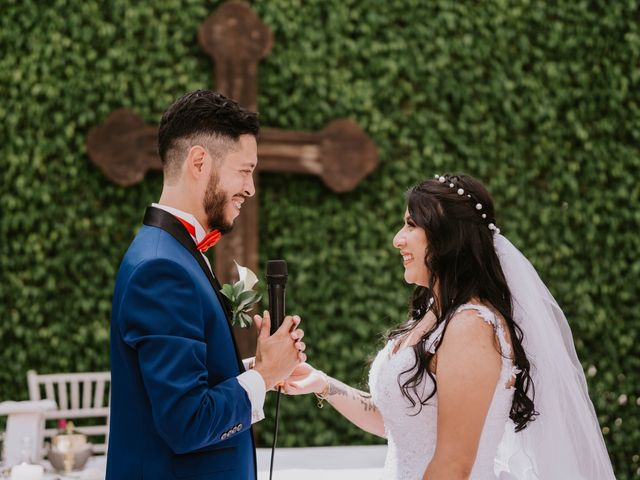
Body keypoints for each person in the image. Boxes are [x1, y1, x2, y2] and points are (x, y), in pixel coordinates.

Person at [284, 174, 615, 479]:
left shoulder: (471, 327)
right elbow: (400, 423)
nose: (398, 239)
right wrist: (323, 384)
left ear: (447, 239)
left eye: (411, 225)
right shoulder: (435, 315)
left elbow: (454, 464)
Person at [107, 90, 306, 480]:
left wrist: (258, 365)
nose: (250, 188)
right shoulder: (162, 268)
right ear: (199, 161)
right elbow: (187, 422)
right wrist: (263, 377)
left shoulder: (172, 253)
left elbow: (182, 382)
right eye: (244, 170)